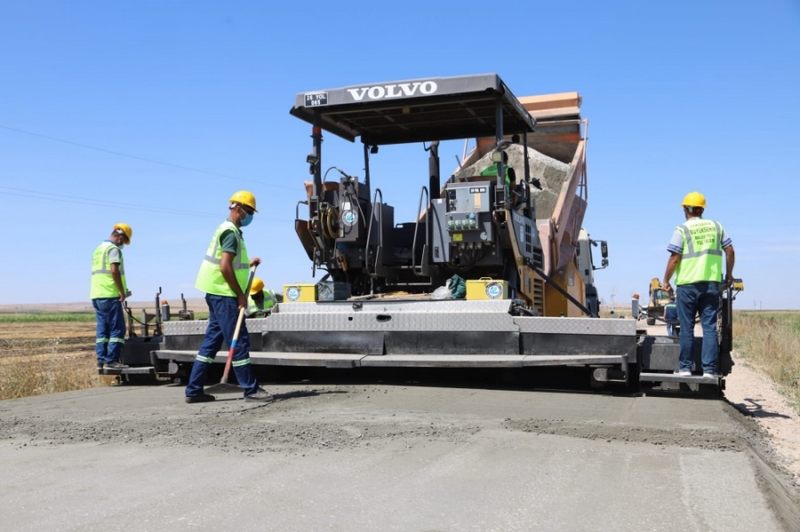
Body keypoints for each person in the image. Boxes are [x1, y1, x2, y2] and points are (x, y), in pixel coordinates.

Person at [185, 191, 271, 403]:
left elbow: (229, 262)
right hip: (224, 294)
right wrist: (240, 295)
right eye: (249, 211)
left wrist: (248, 263)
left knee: (210, 344)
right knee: (239, 340)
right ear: (239, 209)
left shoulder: (227, 229)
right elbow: (224, 266)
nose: (250, 216)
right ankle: (250, 388)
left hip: (215, 292)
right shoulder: (231, 232)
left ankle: (194, 390)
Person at [662, 192, 735, 378]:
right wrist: (729, 275)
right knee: (709, 327)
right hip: (711, 284)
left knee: (686, 328)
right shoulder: (717, 227)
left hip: (687, 285)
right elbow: (730, 251)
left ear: (686, 209)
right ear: (701, 209)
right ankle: (709, 370)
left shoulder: (682, 229)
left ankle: (685, 368)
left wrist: (666, 280)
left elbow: (674, 257)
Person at [91, 223, 133, 370]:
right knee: (118, 329)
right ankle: (112, 360)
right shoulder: (113, 249)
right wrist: (121, 291)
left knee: (103, 330)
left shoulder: (99, 249)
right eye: (124, 241)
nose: (123, 244)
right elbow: (114, 271)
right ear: (120, 237)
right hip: (110, 294)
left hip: (97, 295)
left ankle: (101, 360)